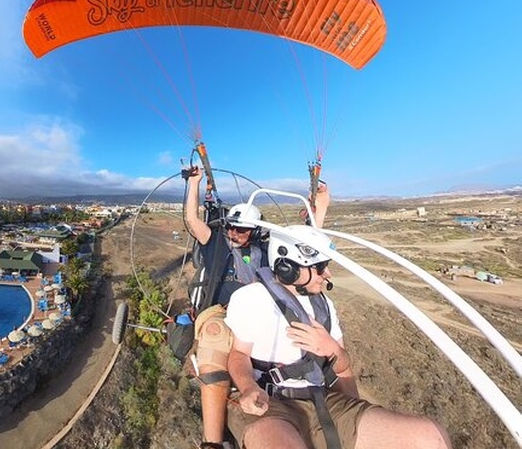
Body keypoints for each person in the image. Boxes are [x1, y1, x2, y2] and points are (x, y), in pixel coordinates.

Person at [224, 225, 450, 449]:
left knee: (431, 437)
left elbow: (343, 364)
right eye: (320, 267)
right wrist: (248, 387)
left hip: (324, 401)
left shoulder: (324, 304)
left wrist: (331, 348)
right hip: (270, 404)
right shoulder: (251, 298)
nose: (328, 274)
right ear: (287, 268)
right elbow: (238, 354)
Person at [183, 166, 330, 448]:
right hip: (223, 312)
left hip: (263, 307)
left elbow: (303, 250)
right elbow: (192, 219)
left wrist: (319, 209)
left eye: (243, 230)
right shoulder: (215, 243)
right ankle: (213, 441)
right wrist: (195, 184)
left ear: (254, 232)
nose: (235, 233)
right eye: (233, 227)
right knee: (215, 334)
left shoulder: (265, 250)